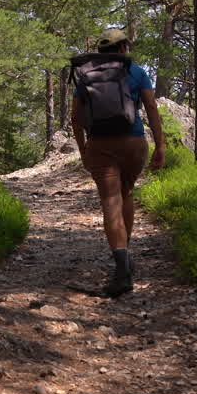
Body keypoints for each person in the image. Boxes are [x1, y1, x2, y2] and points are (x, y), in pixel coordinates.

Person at [71, 28, 165, 297]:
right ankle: (126, 255)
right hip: (133, 143)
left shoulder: (87, 74)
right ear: (123, 48)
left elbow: (76, 119)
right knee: (126, 192)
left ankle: (122, 266)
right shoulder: (136, 71)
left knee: (110, 200)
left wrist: (83, 150)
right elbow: (151, 108)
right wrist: (160, 145)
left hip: (100, 145)